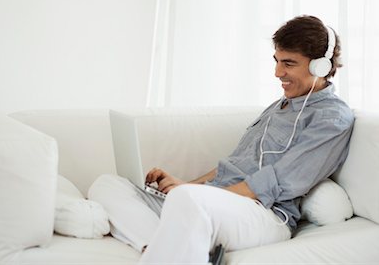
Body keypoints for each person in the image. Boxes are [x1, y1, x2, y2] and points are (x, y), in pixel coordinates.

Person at [89, 15, 355, 264]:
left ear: (321, 66)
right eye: (276, 60)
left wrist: (194, 193)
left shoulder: (331, 118)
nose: (277, 72)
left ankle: (173, 244)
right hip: (216, 201)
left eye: (288, 63)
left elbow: (278, 182)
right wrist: (185, 185)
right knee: (107, 185)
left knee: (187, 200)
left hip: (264, 214)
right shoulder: (278, 106)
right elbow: (234, 163)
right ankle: (161, 248)